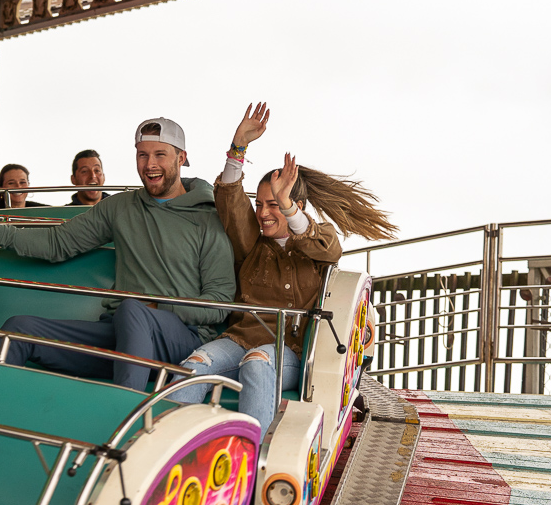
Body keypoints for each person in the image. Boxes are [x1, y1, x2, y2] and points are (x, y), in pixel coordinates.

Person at [0, 117, 236, 391]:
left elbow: (220, 305)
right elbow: (58, 242)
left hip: (183, 339)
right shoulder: (121, 207)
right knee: (19, 329)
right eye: (142, 155)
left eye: (160, 154)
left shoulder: (208, 216)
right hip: (121, 333)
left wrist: (159, 308)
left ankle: (120, 421)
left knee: (133, 309)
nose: (149, 165)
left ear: (181, 158)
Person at [168, 103, 397, 439]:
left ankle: (252, 453)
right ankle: (170, 448)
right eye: (260, 204)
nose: (263, 213)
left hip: (290, 350)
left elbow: (326, 247)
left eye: (272, 204)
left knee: (259, 362)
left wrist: (287, 205)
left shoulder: (318, 242)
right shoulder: (252, 244)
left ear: (294, 207)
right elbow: (231, 199)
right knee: (195, 366)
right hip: (240, 338)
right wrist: (238, 148)